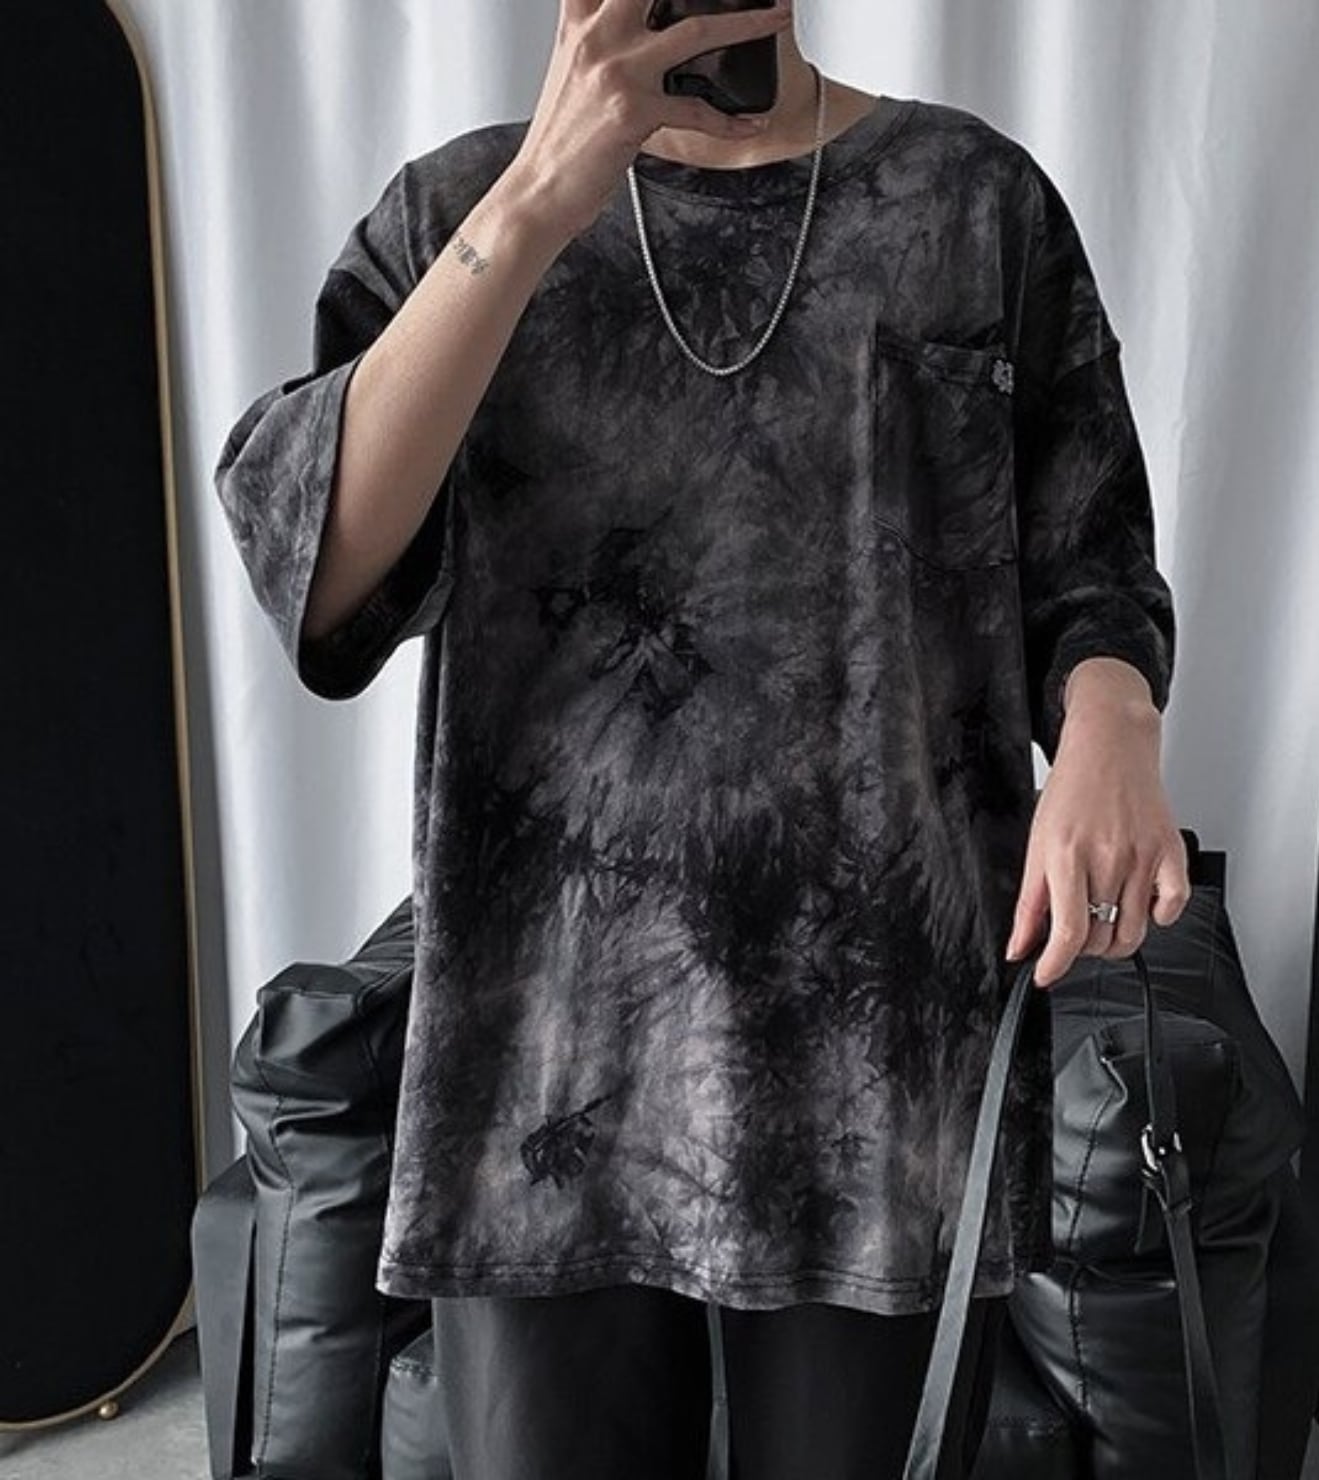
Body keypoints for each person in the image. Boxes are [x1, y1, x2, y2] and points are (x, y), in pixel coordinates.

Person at [213, 2, 1188, 1476]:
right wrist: (540, 200)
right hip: (543, 1074)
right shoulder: (457, 209)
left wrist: (1115, 723)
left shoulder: (969, 204)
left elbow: (1092, 563)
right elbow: (321, 574)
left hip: (884, 1077)